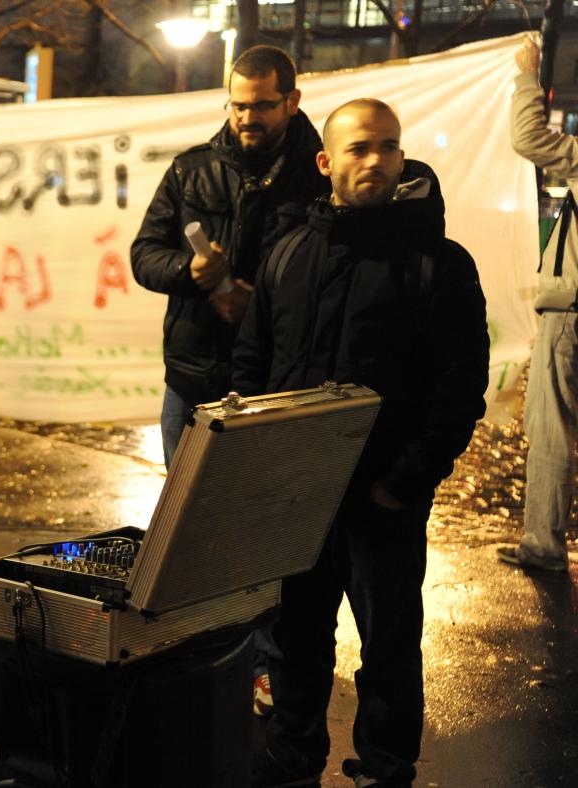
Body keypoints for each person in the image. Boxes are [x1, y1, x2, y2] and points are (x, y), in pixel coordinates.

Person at [236, 99, 489, 787]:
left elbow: (460, 390)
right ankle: (292, 760)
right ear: (326, 162)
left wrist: (401, 483)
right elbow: (251, 369)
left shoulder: (439, 264)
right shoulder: (288, 253)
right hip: (297, 500)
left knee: (390, 651)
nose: (376, 160)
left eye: (388, 147)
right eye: (358, 149)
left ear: (402, 155)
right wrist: (259, 474)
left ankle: (384, 769)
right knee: (294, 644)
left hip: (383, 504)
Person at [129, 44, 329, 717]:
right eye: (238, 105)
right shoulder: (194, 168)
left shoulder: (317, 174)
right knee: (190, 533)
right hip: (190, 382)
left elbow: (328, 273)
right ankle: (204, 657)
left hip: (273, 388)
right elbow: (144, 253)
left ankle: (266, 668)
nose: (248, 118)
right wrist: (191, 276)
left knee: (266, 536)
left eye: (262, 106)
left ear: (292, 101)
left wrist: (258, 301)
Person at [497, 35, 576, 575]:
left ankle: (544, 546)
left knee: (552, 425)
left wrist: (528, 77)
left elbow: (529, 138)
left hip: (571, 310)